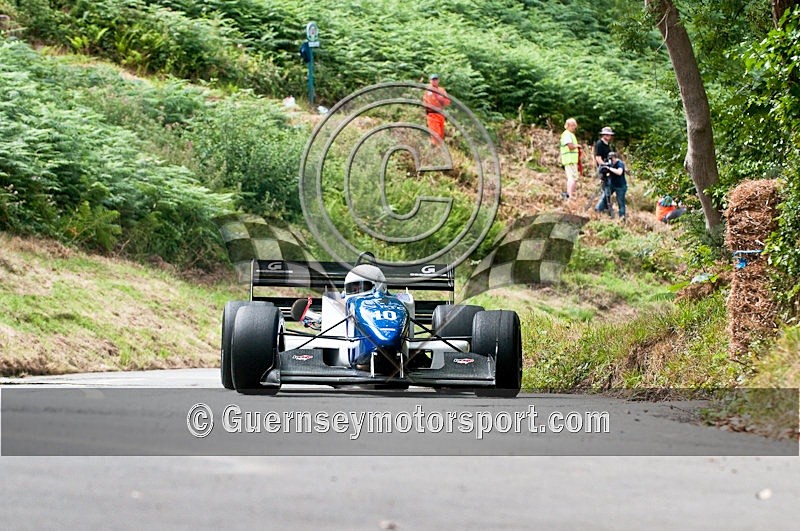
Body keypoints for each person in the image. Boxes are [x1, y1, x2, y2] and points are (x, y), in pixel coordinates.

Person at [595, 152, 627, 220]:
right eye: (610, 159)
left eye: (612, 159)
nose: (611, 160)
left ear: (615, 158)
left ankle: (622, 218)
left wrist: (609, 168)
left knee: (620, 202)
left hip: (620, 186)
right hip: (611, 184)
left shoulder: (620, 163)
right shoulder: (610, 163)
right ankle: (598, 210)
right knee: (604, 197)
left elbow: (619, 172)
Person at [422, 74, 451, 146]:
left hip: (441, 114)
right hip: (432, 114)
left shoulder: (442, 90)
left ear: (438, 80)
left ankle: (439, 151)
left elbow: (447, 102)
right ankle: (435, 151)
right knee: (436, 134)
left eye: (436, 79)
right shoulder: (428, 91)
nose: (434, 81)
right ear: (430, 81)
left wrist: (442, 100)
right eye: (433, 80)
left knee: (441, 134)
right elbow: (428, 103)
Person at [593, 126, 615, 213]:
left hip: (608, 168)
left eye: (609, 135)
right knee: (606, 188)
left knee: (608, 188)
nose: (608, 136)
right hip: (603, 168)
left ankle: (604, 207)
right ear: (603, 135)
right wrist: (604, 165)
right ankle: (599, 207)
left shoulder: (608, 145)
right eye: (607, 134)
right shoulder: (599, 144)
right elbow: (598, 157)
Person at [560, 118, 581, 200]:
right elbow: (570, 147)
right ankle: (569, 195)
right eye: (572, 126)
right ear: (568, 125)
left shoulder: (571, 134)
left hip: (573, 160)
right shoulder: (566, 134)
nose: (574, 127)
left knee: (574, 178)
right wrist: (577, 146)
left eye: (574, 126)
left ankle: (571, 194)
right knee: (571, 178)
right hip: (569, 159)